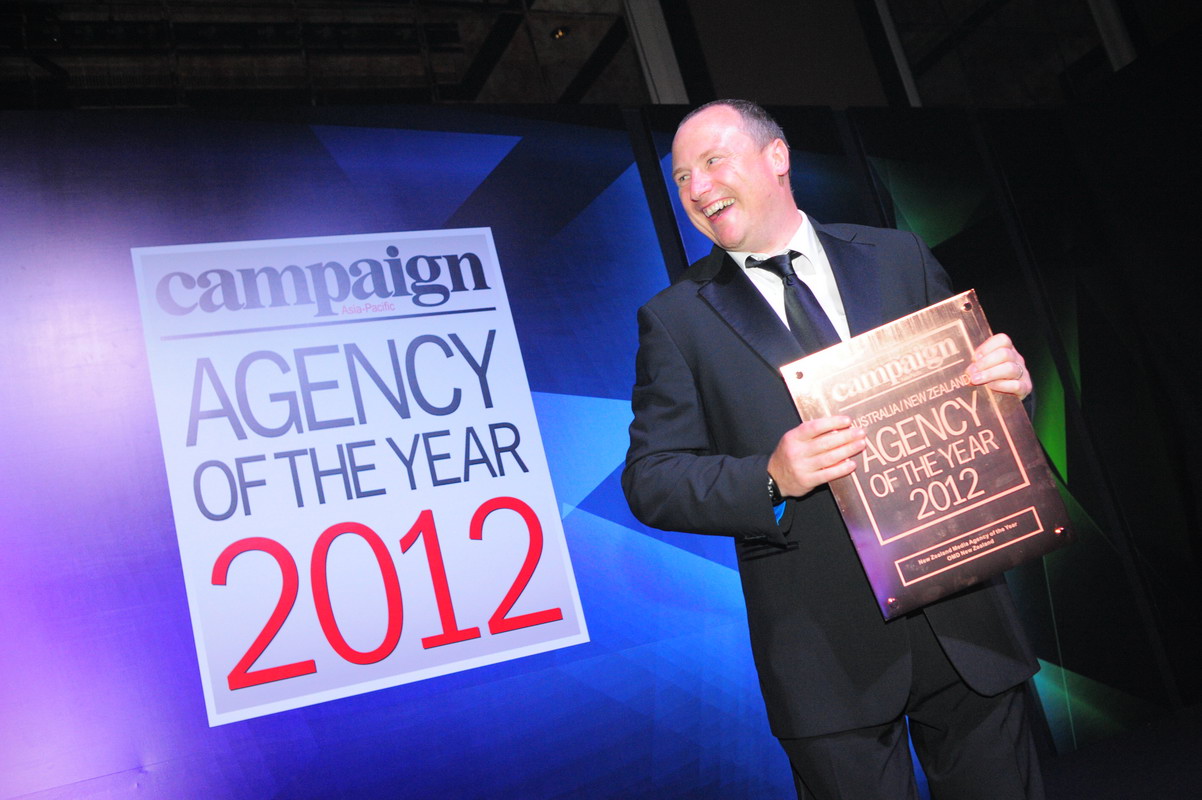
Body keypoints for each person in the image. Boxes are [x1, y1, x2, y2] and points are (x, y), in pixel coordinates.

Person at [622, 99, 1045, 800]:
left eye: (713, 162)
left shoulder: (897, 257)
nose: (697, 188)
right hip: (824, 655)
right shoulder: (675, 320)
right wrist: (771, 477)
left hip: (966, 625)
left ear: (777, 157)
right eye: (683, 178)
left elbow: (982, 408)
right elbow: (651, 478)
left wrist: (1012, 391)